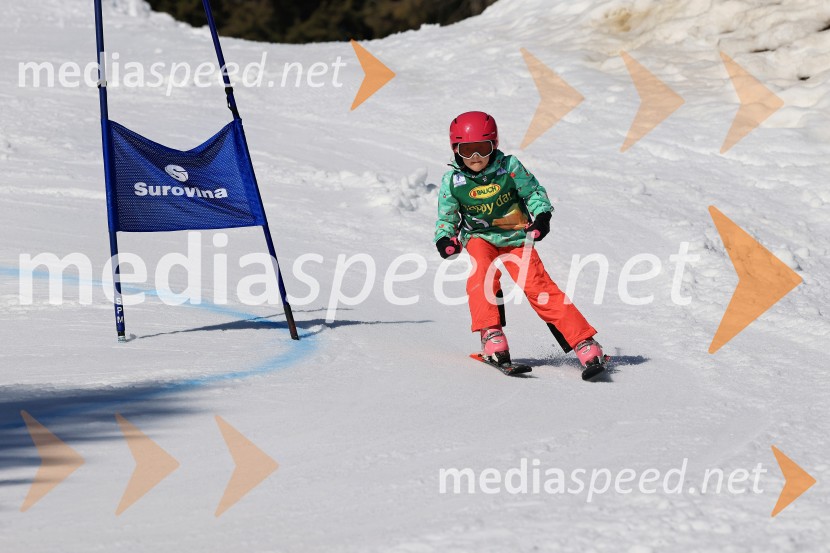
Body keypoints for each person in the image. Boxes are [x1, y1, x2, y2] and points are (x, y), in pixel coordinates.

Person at [434, 110, 606, 377]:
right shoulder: (453, 181)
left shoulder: (509, 167)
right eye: (468, 150)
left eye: (483, 148)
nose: (476, 157)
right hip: (480, 238)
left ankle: (583, 342)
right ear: (456, 149)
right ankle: (491, 336)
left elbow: (534, 192)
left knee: (539, 287)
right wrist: (445, 238)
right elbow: (447, 216)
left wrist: (542, 217)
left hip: (517, 237)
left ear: (494, 145)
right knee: (481, 275)